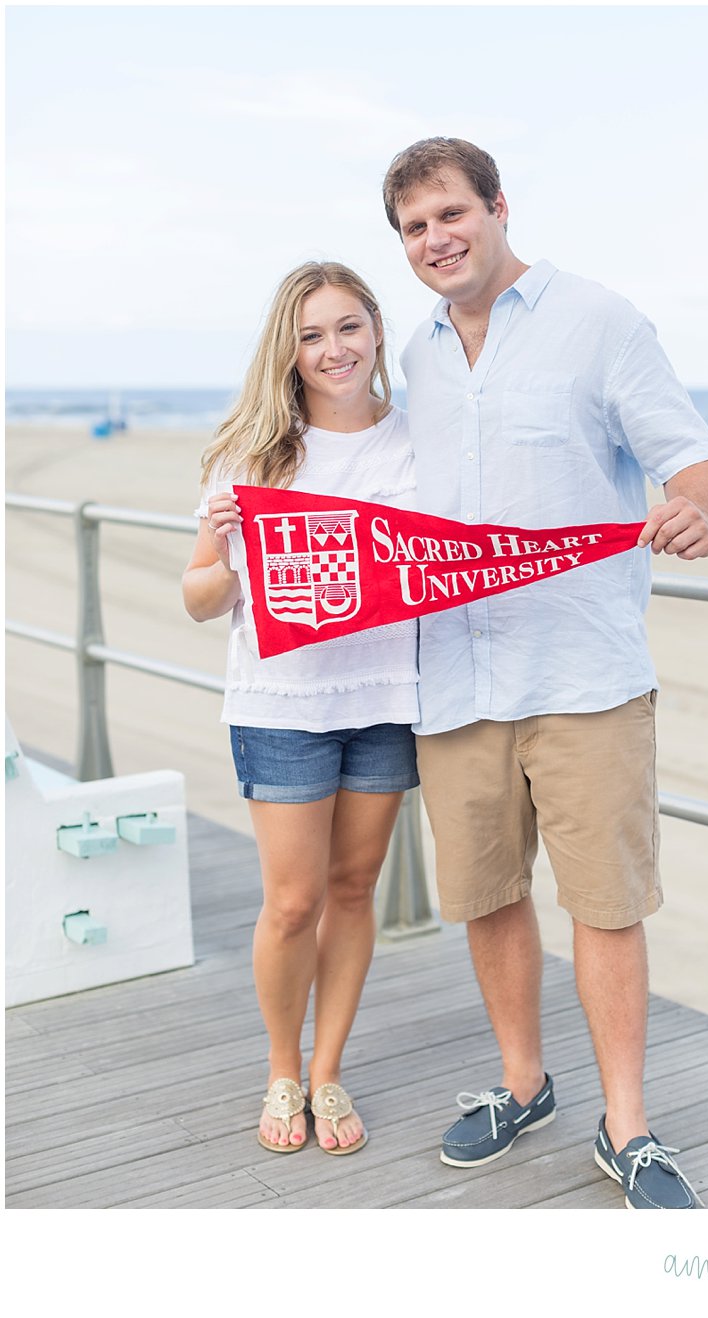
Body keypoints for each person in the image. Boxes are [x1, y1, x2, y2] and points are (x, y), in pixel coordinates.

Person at [382, 137, 708, 1209]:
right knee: (487, 895)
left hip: (584, 672)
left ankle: (627, 1127)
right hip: (455, 675)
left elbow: (692, 454)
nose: (436, 240)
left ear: (496, 207)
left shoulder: (601, 321)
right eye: (413, 228)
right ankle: (522, 1084)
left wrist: (696, 508)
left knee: (606, 904)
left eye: (450, 214)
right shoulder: (418, 355)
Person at [182, 261, 417, 1157]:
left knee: (354, 890)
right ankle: (282, 1066)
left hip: (387, 699)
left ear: (377, 332)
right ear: (289, 349)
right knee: (292, 901)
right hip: (281, 705)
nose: (333, 350)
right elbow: (197, 597)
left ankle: (327, 1071)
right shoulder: (252, 454)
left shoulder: (416, 444)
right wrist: (236, 555)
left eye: (349, 328)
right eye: (312, 335)